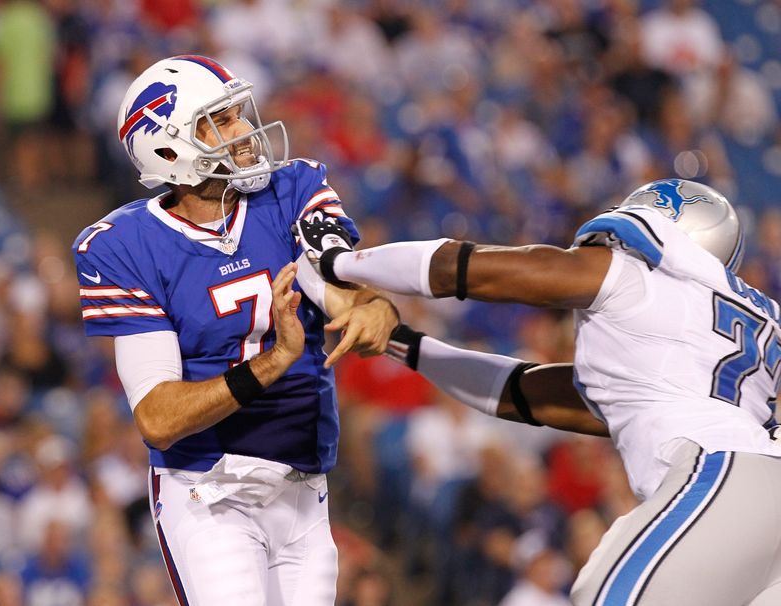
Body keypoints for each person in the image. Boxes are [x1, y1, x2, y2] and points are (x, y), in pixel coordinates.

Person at [298, 178, 781, 606]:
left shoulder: (639, 280)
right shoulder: (693, 350)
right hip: (761, 505)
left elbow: (462, 269)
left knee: (604, 592)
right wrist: (402, 342)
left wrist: (342, 263)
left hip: (719, 476)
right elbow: (520, 393)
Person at [72, 55, 399, 605]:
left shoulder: (291, 190)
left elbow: (333, 275)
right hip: (207, 491)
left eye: (238, 114)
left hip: (304, 490)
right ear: (169, 146)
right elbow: (158, 418)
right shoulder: (126, 245)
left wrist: (372, 303)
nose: (244, 131)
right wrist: (273, 362)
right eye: (219, 121)